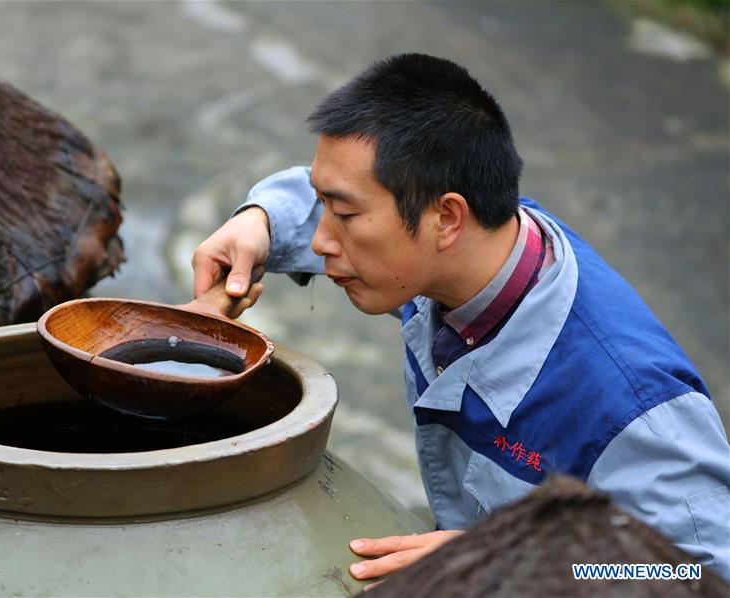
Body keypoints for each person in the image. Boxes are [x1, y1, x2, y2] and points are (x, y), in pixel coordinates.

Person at [192, 54, 730, 582]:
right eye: (325, 207)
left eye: (345, 215)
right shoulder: (474, 248)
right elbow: (339, 189)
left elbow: (700, 574)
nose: (320, 240)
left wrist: (516, 562)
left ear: (448, 218)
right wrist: (262, 222)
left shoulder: (634, 409)